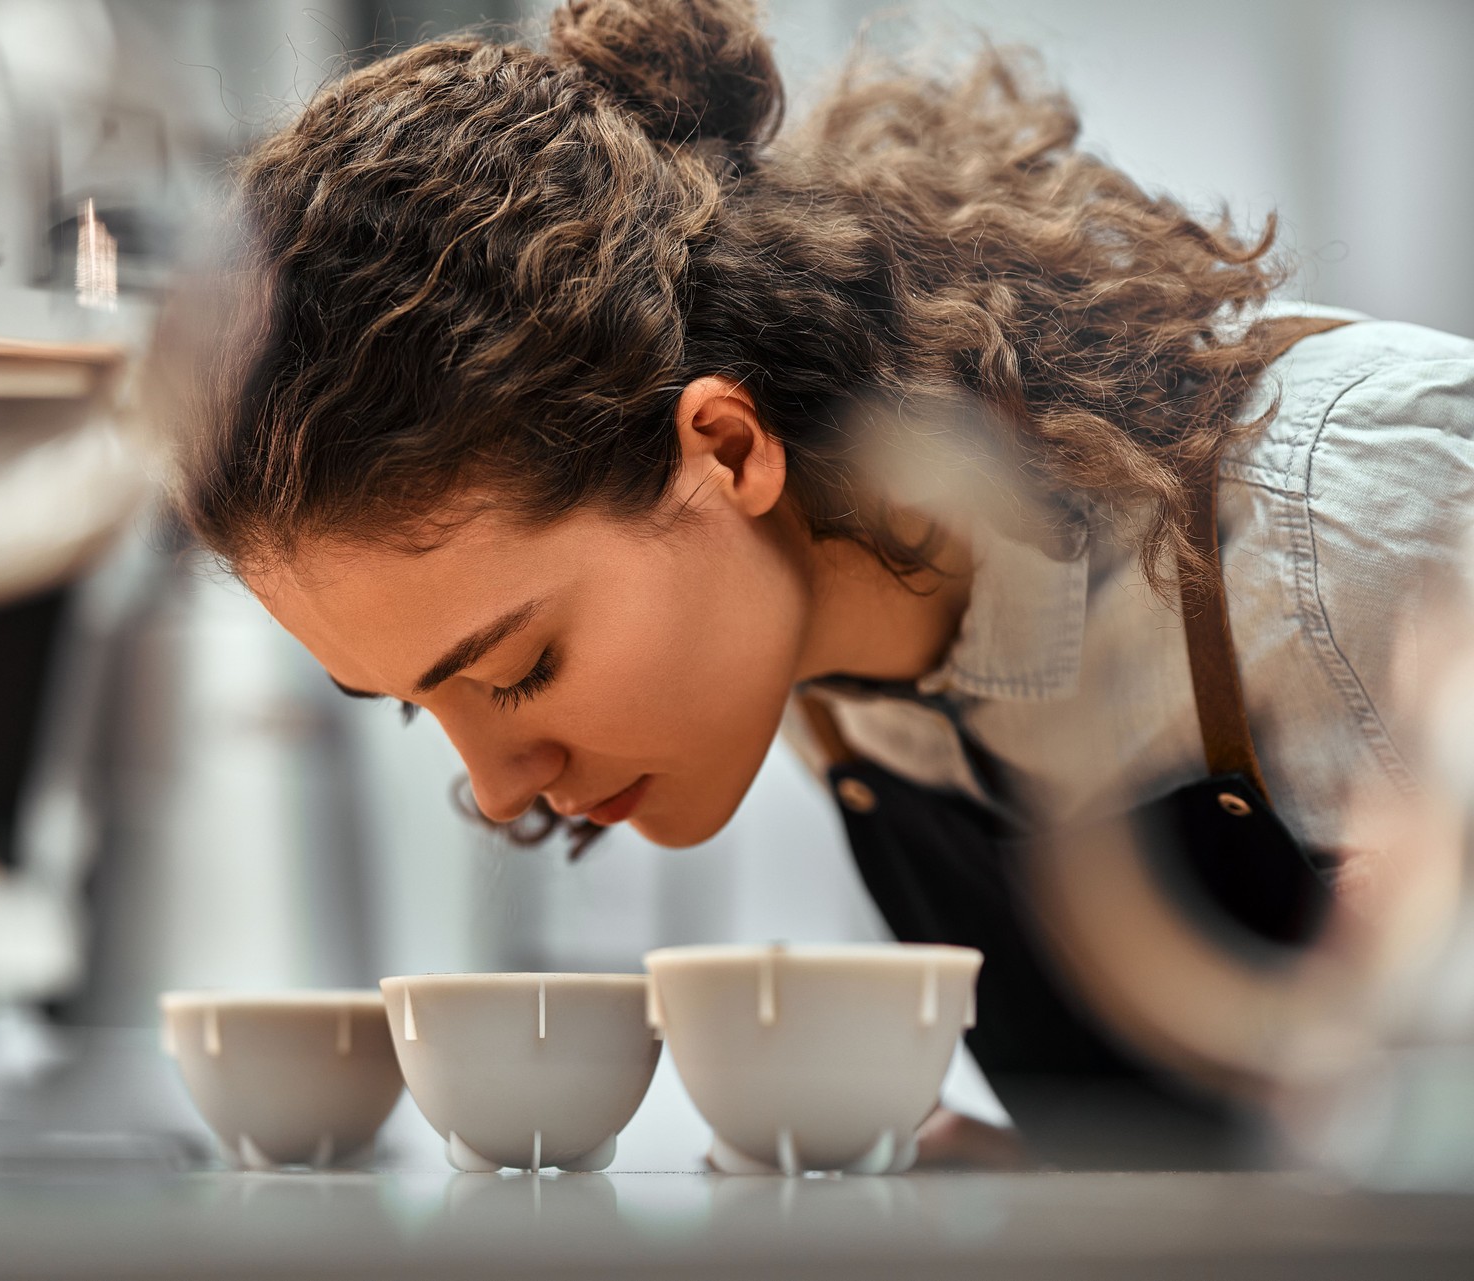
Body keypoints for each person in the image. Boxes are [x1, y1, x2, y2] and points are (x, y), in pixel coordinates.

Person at [171, 0, 1474, 1163]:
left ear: (726, 450)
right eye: (413, 698)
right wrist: (1050, 1208)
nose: (500, 786)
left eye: (521, 667)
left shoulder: (1365, 509)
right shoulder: (819, 679)